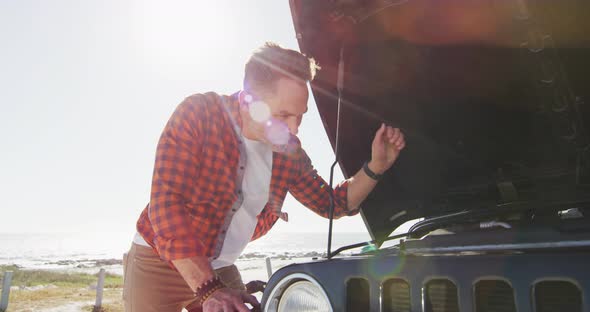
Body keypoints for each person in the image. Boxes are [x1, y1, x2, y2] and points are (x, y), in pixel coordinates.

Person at [123, 42, 406, 312]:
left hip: (219, 266)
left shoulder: (289, 150)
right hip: (160, 262)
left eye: (300, 116)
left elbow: (331, 203)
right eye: (283, 115)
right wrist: (209, 289)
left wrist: (376, 165)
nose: (293, 129)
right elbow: (166, 204)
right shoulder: (199, 114)